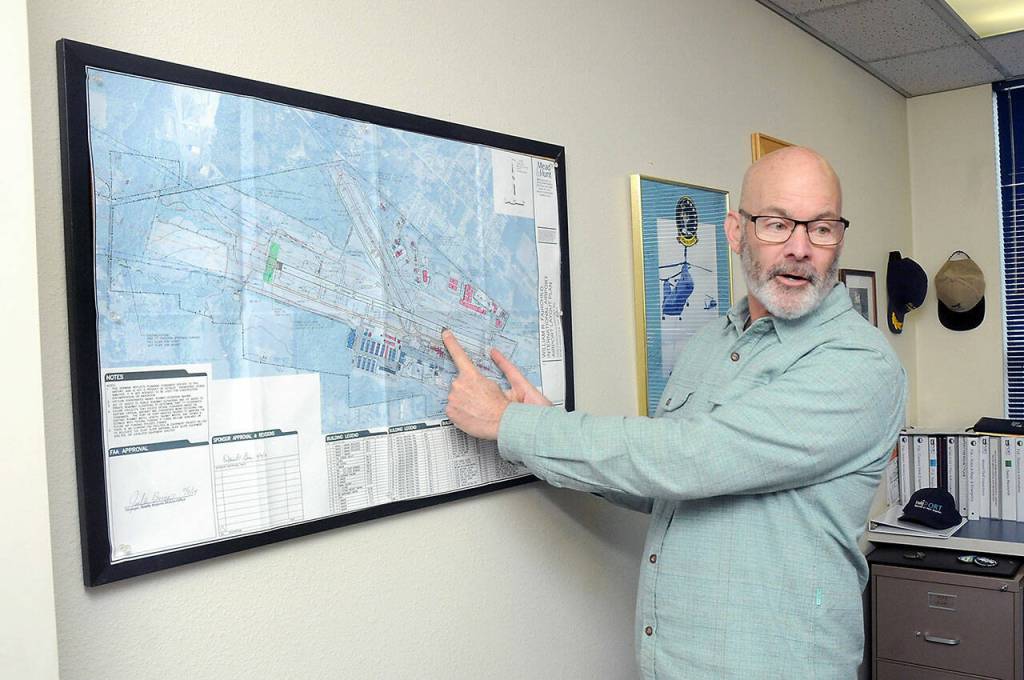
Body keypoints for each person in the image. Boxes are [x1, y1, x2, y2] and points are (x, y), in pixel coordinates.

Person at [442, 147, 906, 679]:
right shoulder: (711, 343)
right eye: (777, 224)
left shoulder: (860, 363)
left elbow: (689, 459)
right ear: (736, 232)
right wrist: (542, 422)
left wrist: (510, 424)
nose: (800, 248)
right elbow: (660, 482)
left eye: (821, 229)